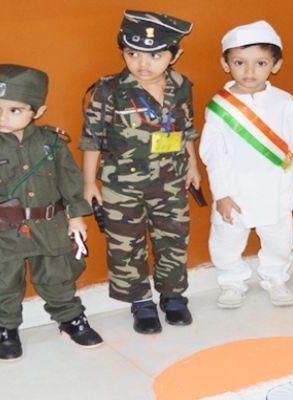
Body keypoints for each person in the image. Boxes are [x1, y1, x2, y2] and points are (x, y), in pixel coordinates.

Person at [0, 64, 103, 361]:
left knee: (58, 276)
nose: (2, 117)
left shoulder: (52, 141)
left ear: (38, 110)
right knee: (4, 281)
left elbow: (69, 180)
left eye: (15, 110)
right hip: (1, 229)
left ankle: (70, 319)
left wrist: (75, 216)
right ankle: (5, 327)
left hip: (49, 223)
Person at [80, 10, 200, 334]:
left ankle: (173, 296)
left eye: (155, 55)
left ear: (175, 55)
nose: (142, 63)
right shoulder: (108, 90)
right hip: (123, 185)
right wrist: (89, 182)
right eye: (132, 53)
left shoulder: (181, 86)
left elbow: (187, 129)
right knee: (126, 244)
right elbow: (91, 138)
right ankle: (141, 301)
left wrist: (193, 164)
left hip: (171, 180)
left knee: (173, 238)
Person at [199, 21, 293, 309]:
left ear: (275, 65)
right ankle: (231, 282)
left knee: (279, 238)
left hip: (276, 185)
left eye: (261, 63)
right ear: (225, 64)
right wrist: (222, 194)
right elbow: (214, 154)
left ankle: (276, 278)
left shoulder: (284, 102)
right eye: (240, 62)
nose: (249, 71)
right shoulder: (219, 106)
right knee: (226, 239)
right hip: (235, 187)